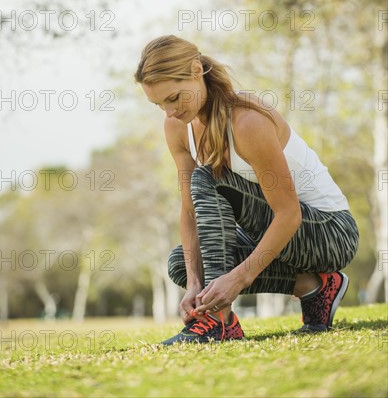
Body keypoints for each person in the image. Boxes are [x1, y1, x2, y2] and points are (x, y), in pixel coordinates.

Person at [134, 35, 359, 345]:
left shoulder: (247, 122)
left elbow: (288, 213)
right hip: (277, 234)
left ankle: (219, 320)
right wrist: (196, 285)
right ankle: (314, 286)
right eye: (158, 104)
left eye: (173, 98)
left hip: (330, 233)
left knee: (208, 178)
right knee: (183, 264)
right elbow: (189, 211)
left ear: (197, 70)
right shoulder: (177, 127)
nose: (168, 111)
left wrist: (239, 278)